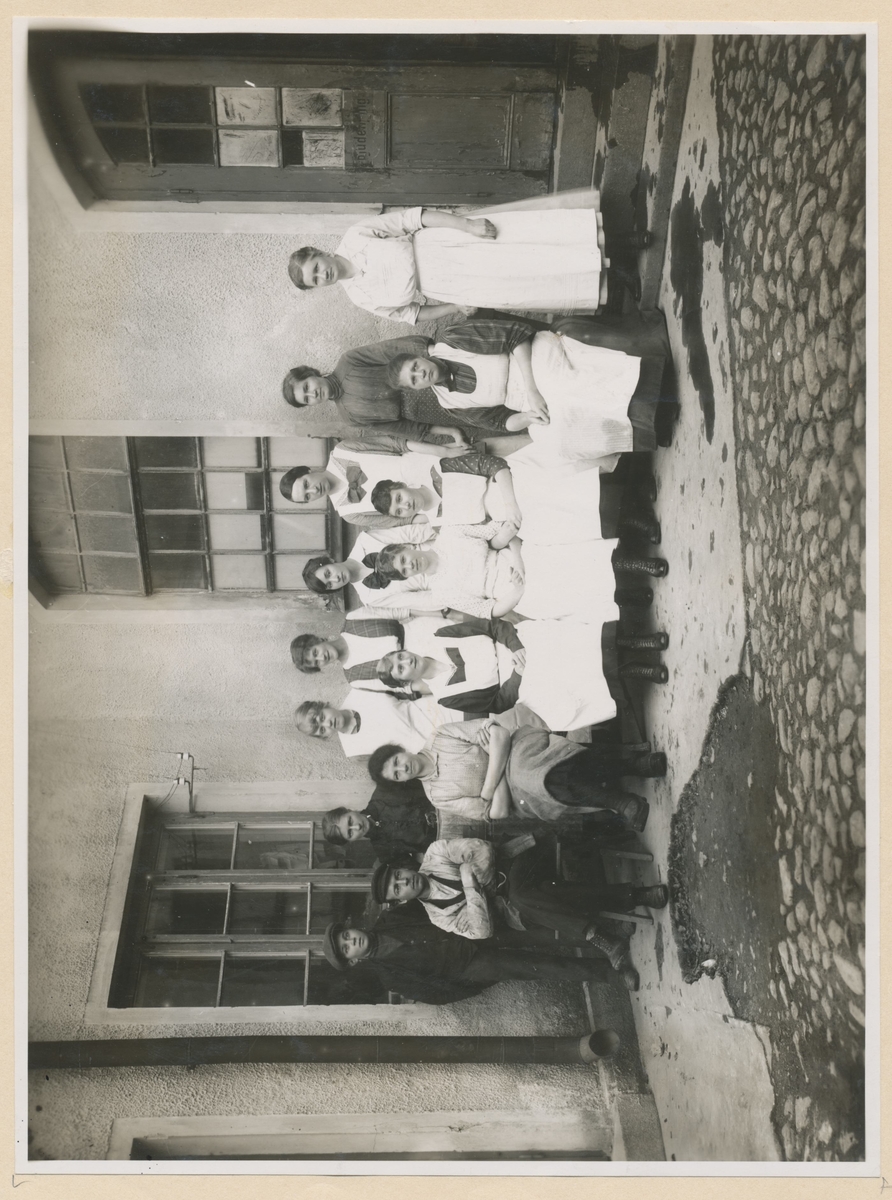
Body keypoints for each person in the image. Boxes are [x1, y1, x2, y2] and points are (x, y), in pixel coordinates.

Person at [370, 837, 670, 989]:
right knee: (536, 898)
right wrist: (470, 882)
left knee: (525, 897)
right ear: (399, 901)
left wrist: (480, 898)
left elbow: (482, 850)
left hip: (520, 859)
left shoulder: (436, 853)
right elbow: (481, 931)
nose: (404, 882)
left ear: (403, 869)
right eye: (397, 889)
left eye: (398, 876)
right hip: (516, 906)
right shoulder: (438, 916)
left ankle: (605, 933)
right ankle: (635, 897)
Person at [287, 193, 614, 324]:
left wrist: (467, 226)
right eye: (315, 281)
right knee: (525, 282)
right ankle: (609, 278)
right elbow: (413, 313)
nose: (322, 275)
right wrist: (455, 306)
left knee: (524, 248)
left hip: (446, 245)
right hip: (450, 285)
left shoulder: (357, 235)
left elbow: (414, 218)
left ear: (320, 253)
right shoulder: (360, 298)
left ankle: (615, 243)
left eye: (316, 268)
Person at [386, 312, 674, 460]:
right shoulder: (449, 403)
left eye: (415, 367)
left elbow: (516, 336)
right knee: (558, 442)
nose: (421, 374)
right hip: (524, 403)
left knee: (564, 388)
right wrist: (528, 417)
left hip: (531, 359)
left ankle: (658, 395)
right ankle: (648, 427)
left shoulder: (452, 341)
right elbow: (500, 422)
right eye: (414, 380)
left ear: (418, 357)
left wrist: (533, 390)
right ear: (416, 389)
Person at [366, 718, 662, 830]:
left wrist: (488, 788)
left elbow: (500, 734)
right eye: (396, 775)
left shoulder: (441, 736)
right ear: (401, 782)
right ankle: (634, 765)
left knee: (529, 774)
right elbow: (496, 813)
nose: (402, 768)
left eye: (396, 761)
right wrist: (495, 764)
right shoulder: (437, 796)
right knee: (530, 778)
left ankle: (621, 800)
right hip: (518, 794)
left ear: (400, 750)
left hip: (522, 746)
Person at [321, 908, 629, 1002]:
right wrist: (470, 982)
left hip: (472, 929)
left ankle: (608, 937)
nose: (352, 941)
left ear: (351, 928)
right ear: (353, 960)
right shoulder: (389, 976)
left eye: (346, 936)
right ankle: (611, 973)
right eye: (347, 948)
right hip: (469, 965)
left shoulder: (390, 919)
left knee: (539, 933)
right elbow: (434, 994)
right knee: (538, 966)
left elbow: (432, 907)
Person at [281, 334, 470, 442]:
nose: (313, 393)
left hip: (431, 378)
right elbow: (401, 428)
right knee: (476, 413)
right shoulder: (349, 417)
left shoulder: (349, 362)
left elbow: (392, 349)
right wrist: (452, 431)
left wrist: (440, 352)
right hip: (434, 413)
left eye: (307, 386)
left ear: (311, 373)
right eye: (307, 399)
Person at [294, 690, 441, 759]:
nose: (328, 724)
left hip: (435, 710)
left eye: (322, 717)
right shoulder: (354, 752)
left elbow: (405, 689)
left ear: (324, 706)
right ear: (324, 737)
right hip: (434, 748)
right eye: (321, 730)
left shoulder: (358, 692)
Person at [321, 787, 438, 865]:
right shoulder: (384, 852)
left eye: (350, 821)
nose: (357, 827)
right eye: (350, 833)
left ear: (349, 810)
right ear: (351, 841)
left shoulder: (383, 793)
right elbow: (419, 869)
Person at [291, 619, 405, 685]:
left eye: (315, 653)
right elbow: (397, 687)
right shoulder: (354, 678)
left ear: (317, 640)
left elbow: (399, 612)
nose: (322, 658)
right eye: (317, 663)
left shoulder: (353, 620)